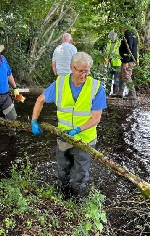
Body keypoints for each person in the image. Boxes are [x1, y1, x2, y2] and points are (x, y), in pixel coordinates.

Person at [31, 52, 107, 199]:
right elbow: (40, 100)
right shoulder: (60, 83)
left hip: (84, 140)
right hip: (63, 137)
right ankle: (62, 199)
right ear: (72, 68)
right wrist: (34, 121)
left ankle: (76, 202)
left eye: (87, 71)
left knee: (79, 176)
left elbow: (96, 118)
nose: (84, 75)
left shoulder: (96, 87)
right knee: (62, 171)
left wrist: (78, 130)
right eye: (80, 71)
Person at [118, 26, 139, 99]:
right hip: (125, 59)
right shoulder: (129, 33)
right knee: (121, 75)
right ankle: (120, 93)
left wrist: (126, 61)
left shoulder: (129, 34)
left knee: (126, 76)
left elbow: (128, 48)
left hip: (128, 60)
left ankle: (133, 94)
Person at [105, 30, 122, 95]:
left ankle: (115, 93)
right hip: (110, 63)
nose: (111, 37)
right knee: (108, 78)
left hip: (117, 63)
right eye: (110, 36)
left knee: (116, 79)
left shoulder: (119, 42)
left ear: (116, 36)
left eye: (113, 36)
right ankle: (107, 92)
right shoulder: (109, 43)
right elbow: (107, 52)